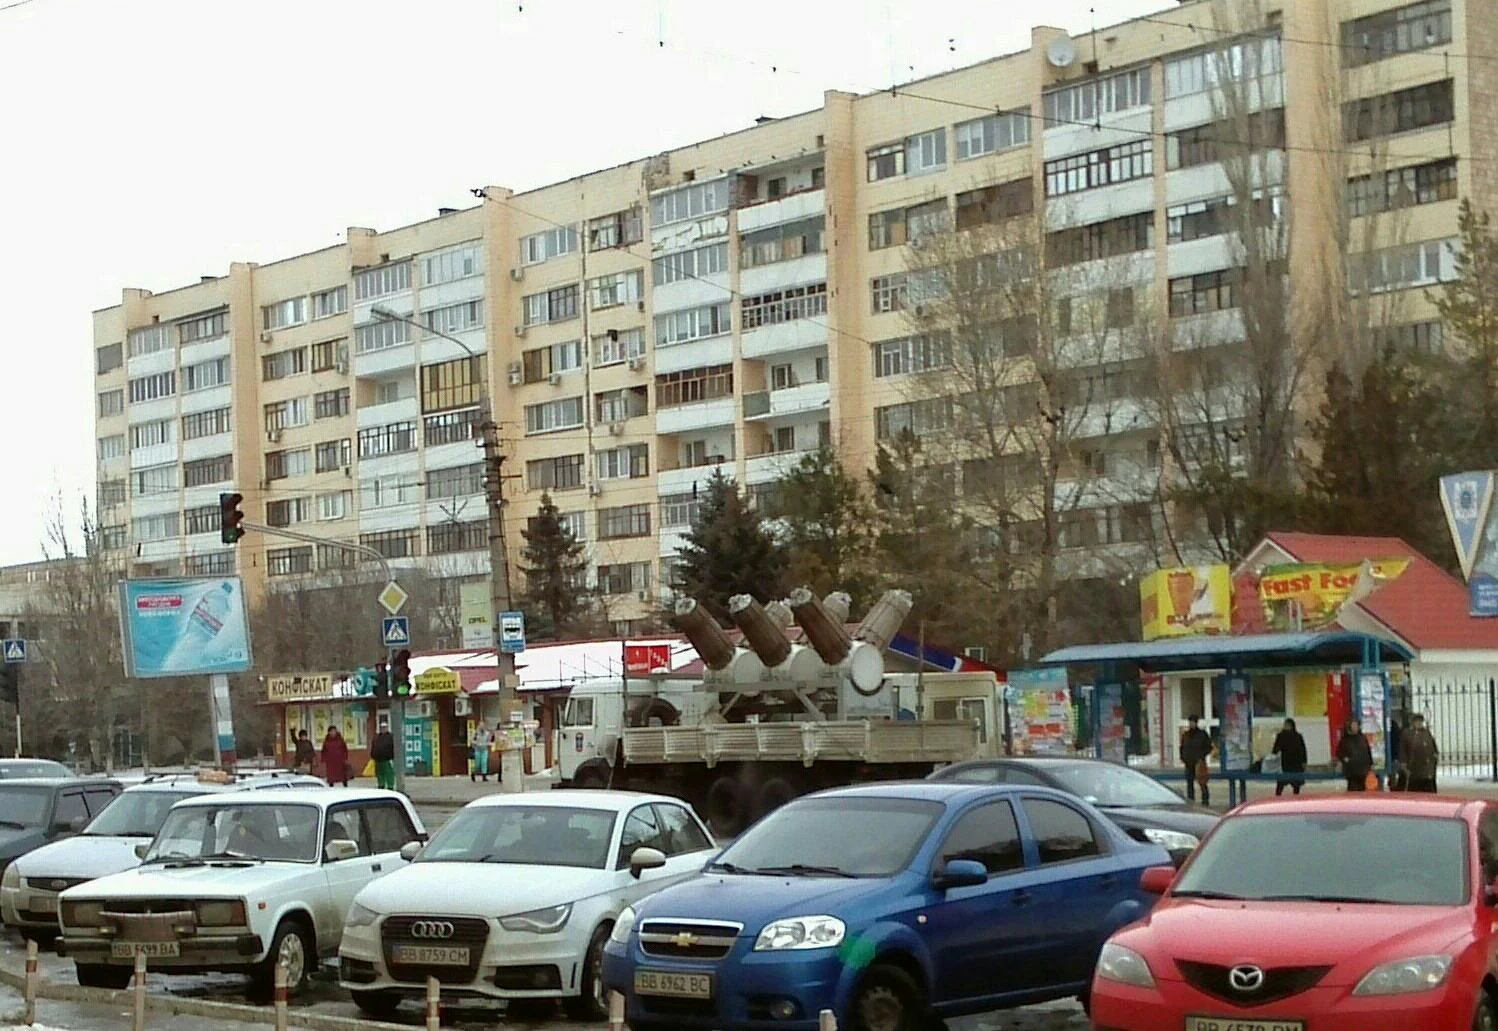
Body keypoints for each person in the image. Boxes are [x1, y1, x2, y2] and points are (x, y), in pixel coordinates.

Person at [1400, 713, 1440, 793]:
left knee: (1429, 790)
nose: (1419, 723)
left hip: (1428, 770)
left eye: (1421, 721)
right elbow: (1402, 749)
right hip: (1414, 770)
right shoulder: (1407, 733)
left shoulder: (1426, 732)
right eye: (1417, 721)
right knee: (1416, 791)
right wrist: (1404, 763)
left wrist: (1435, 756)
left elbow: (1433, 745)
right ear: (1412, 722)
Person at [1180, 716, 1213, 806]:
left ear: (1196, 723)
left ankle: (1205, 800)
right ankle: (1191, 801)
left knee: (1202, 782)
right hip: (1189, 763)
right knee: (1189, 783)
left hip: (1199, 762)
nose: (1191, 724)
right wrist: (1183, 758)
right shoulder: (1186, 735)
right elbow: (1182, 747)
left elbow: (1209, 747)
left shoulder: (1202, 734)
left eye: (1193, 722)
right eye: (1190, 722)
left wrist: (1201, 756)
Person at [1271, 718, 1308, 796]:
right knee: (1282, 784)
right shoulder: (1282, 736)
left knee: (1295, 784)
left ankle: (1295, 797)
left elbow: (1303, 750)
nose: (1285, 726)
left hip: (1294, 764)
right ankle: (1278, 797)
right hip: (1286, 764)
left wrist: (1304, 762)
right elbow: (1275, 750)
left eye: (1287, 725)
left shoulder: (1297, 736)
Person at [1336, 718, 1374, 792]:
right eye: (1353, 725)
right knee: (1353, 789)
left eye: (1356, 725)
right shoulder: (1345, 739)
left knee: (1362, 789)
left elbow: (1367, 751)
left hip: (1363, 769)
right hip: (1351, 770)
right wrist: (1345, 759)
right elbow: (1340, 752)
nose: (1355, 727)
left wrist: (1370, 763)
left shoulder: (1362, 738)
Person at [370, 725, 396, 791]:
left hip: (387, 759)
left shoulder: (390, 737)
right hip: (378, 759)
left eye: (384, 727)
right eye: (381, 728)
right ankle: (381, 785)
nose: (383, 729)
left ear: (387, 728)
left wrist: (392, 756)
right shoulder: (377, 737)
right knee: (380, 773)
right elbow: (373, 746)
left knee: (389, 773)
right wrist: (373, 756)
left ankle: (390, 786)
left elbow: (393, 747)